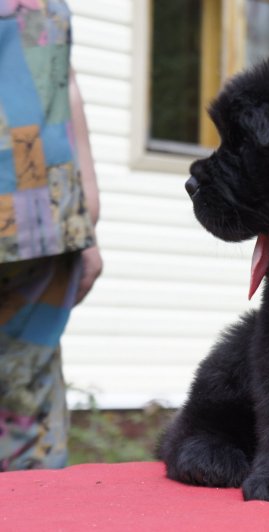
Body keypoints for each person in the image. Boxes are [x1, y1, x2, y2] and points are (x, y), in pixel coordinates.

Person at [0, 0, 102, 470]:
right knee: (24, 405)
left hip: (44, 216)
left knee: (25, 395)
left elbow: (64, 81)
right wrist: (85, 216)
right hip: (46, 213)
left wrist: (87, 222)